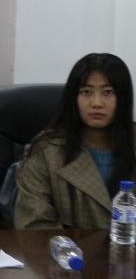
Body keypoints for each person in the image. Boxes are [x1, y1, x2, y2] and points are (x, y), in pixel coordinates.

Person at [15, 53, 136, 230]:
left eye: (108, 92)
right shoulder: (46, 151)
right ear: (74, 98)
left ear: (123, 97)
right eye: (86, 92)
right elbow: (34, 227)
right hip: (66, 249)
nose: (97, 103)